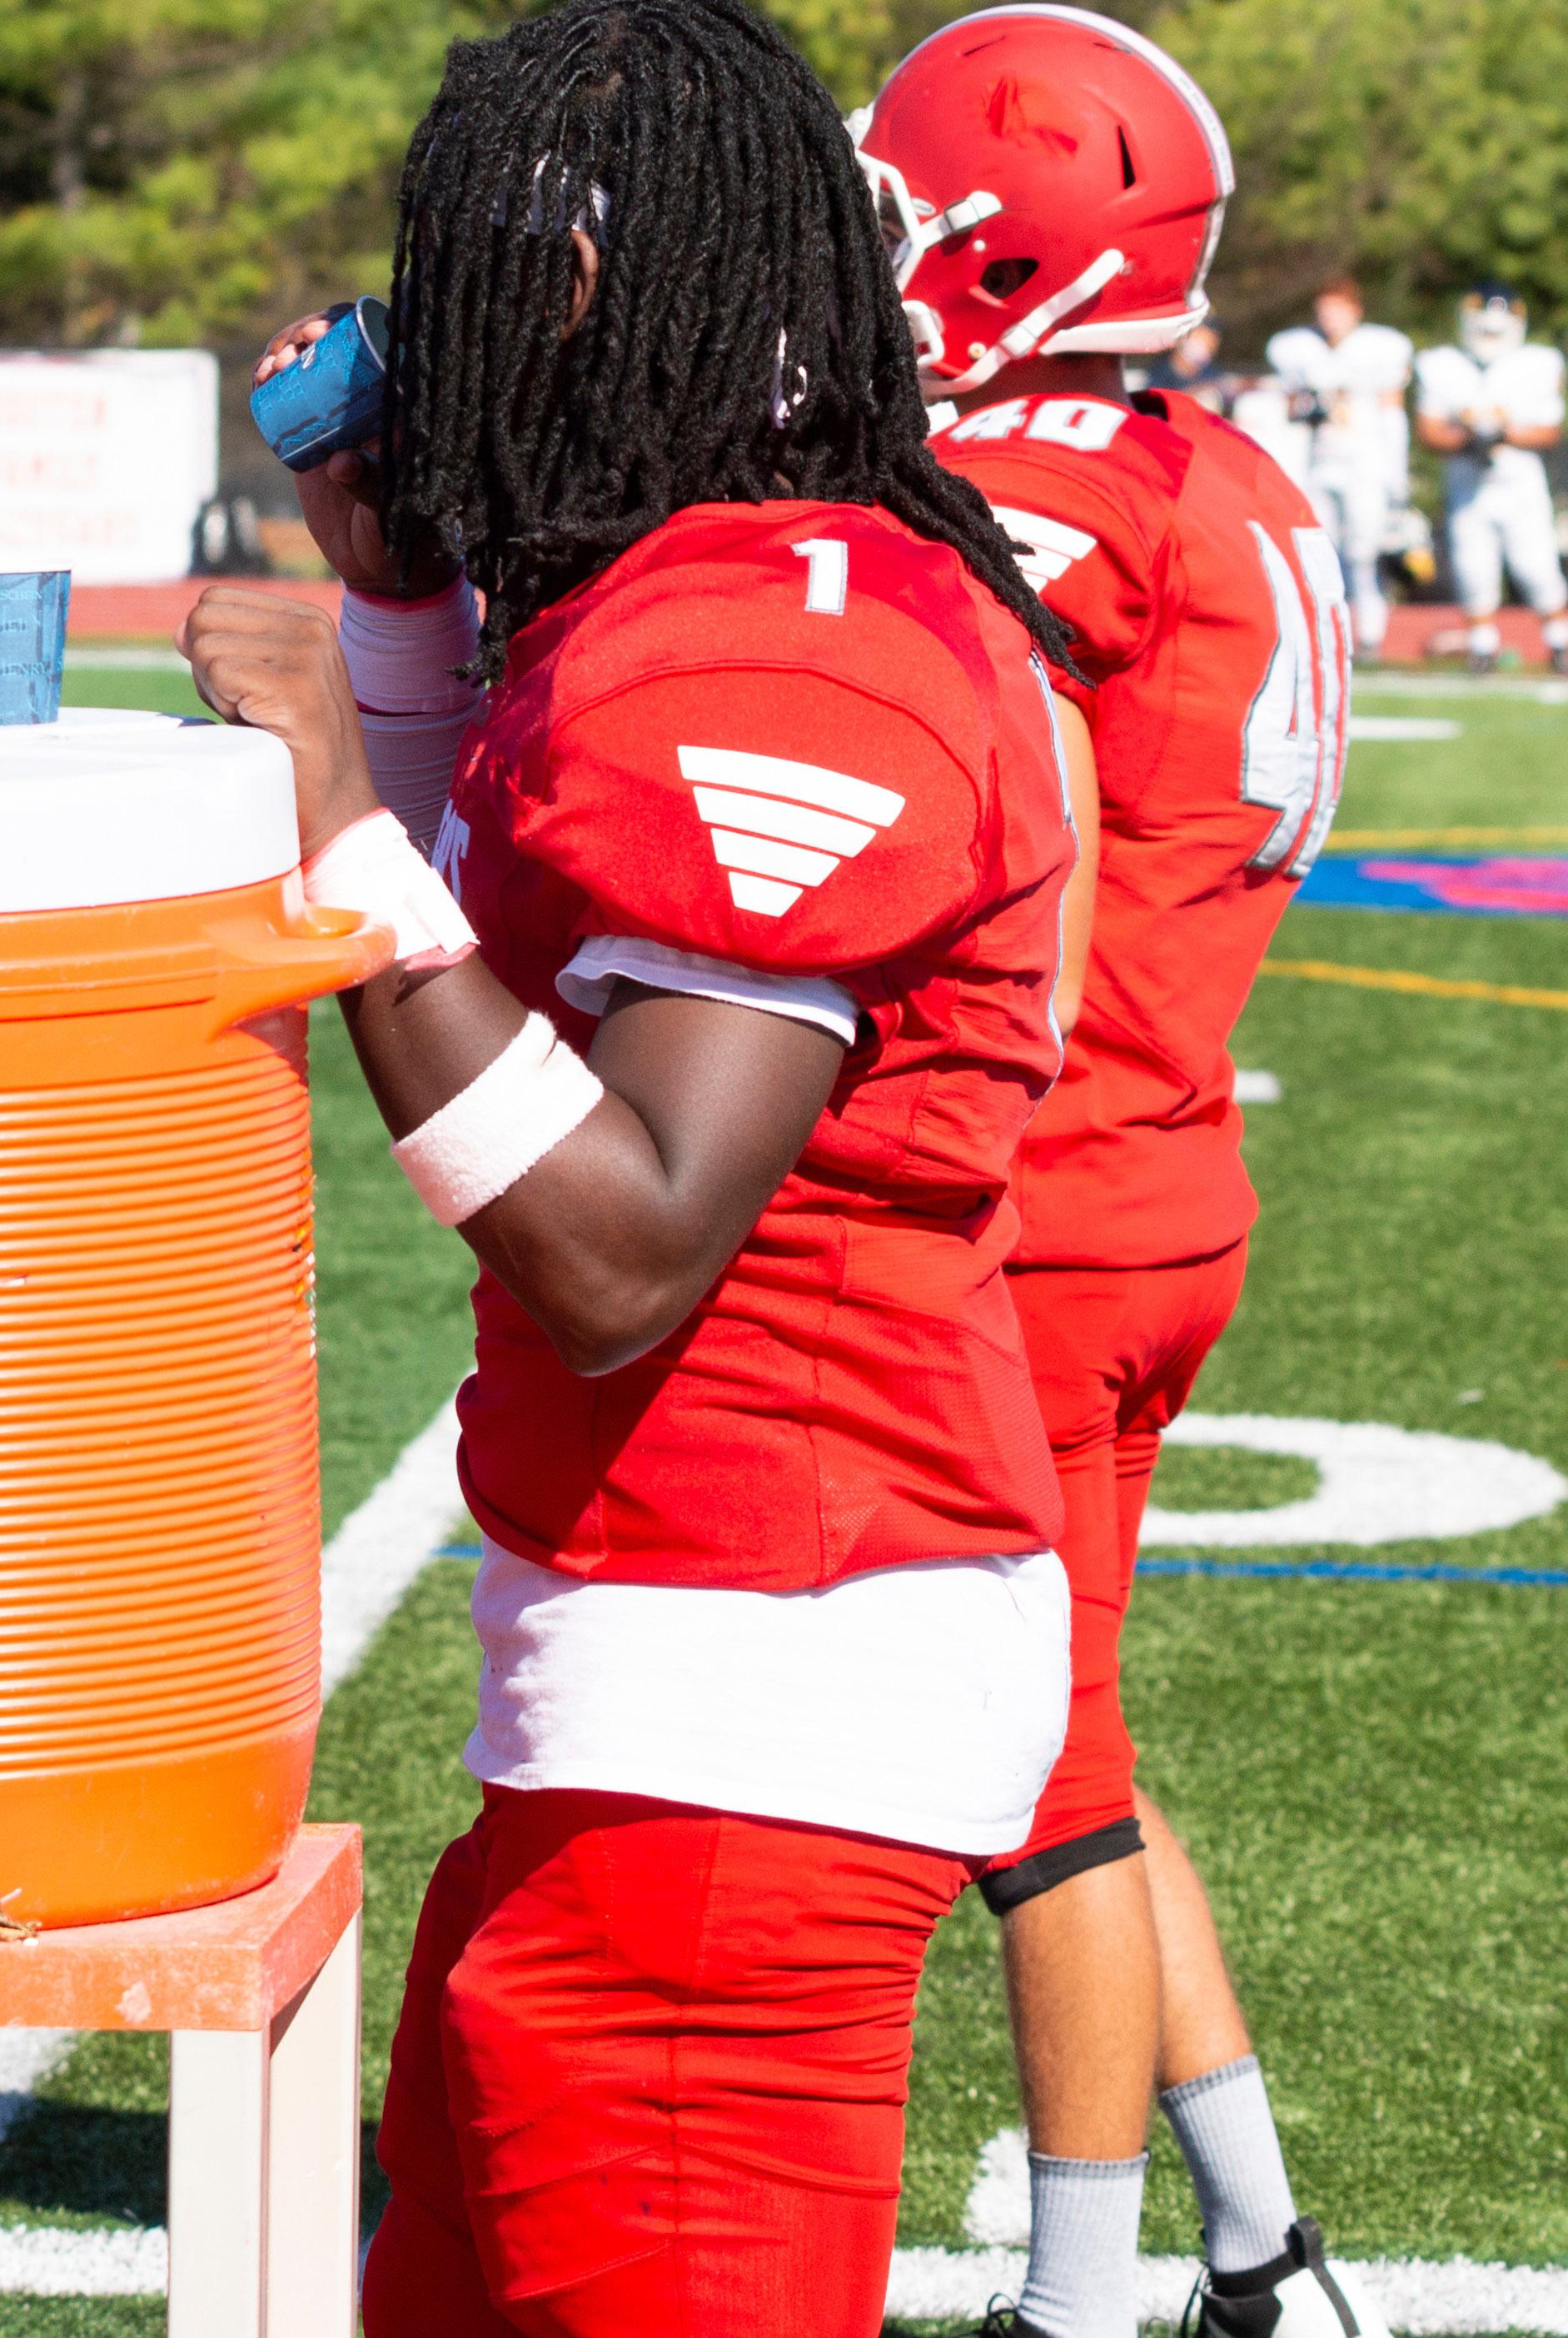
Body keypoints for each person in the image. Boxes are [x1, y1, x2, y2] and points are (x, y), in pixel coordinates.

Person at [186, 2, 1088, 2326]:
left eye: (469, 276)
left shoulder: (775, 646)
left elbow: (623, 1236)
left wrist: (323, 816)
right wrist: (392, 604)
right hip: (662, 1663)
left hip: (756, 1677)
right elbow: (513, 922)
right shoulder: (711, 572)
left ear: (573, 290)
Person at [861, 16, 1385, 2336]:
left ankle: (1076, 2303)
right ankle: (1259, 2244)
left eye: (903, 221)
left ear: (1008, 243)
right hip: (1170, 1182)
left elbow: (1015, 841)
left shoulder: (1042, 476)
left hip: (1040, 1200)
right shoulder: (1235, 471)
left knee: (1022, 1787)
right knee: (1074, 1734)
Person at [1415, 282, 1568, 675]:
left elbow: (1550, 430)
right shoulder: (1443, 363)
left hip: (1519, 483)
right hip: (1467, 482)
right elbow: (1429, 430)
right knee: (1473, 568)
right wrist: (1466, 440)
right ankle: (1482, 649)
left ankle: (1560, 643)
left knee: (1536, 567)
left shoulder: (1537, 363)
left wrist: (1502, 435)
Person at [1265, 280, 1415, 660]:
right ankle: (1325, 630)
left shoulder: (1379, 348)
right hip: (1319, 462)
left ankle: (1369, 633)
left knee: (1363, 551)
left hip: (1364, 463)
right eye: (1324, 308)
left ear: (1356, 311)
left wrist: (1396, 473)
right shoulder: (1298, 349)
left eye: (1337, 308)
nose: (1329, 317)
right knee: (1317, 550)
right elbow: (1287, 410)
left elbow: (1392, 413)